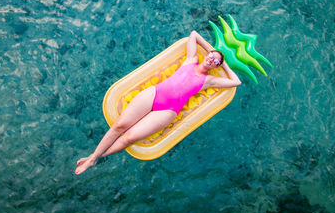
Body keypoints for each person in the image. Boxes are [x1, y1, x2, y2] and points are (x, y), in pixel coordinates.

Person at [75, 31, 241, 175]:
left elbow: (236, 81)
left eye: (216, 61)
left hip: (168, 111)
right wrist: (213, 51)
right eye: (211, 56)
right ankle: (93, 157)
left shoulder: (209, 80)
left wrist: (223, 63)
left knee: (129, 138)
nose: (212, 60)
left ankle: (94, 159)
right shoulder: (191, 60)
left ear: (216, 66)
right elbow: (194, 34)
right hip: (154, 94)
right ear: (207, 54)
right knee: (120, 126)